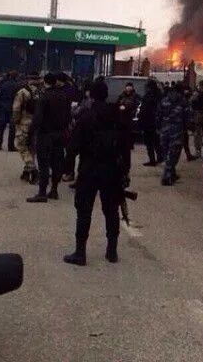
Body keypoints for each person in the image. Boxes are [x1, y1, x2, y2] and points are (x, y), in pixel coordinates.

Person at [64, 81, 130, 266]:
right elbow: (126, 147)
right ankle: (112, 251)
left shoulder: (86, 116)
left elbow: (73, 147)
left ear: (91, 95)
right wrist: (125, 172)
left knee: (83, 211)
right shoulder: (118, 115)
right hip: (112, 170)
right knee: (111, 211)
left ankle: (80, 252)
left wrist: (67, 167)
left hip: (89, 168)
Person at [27, 73, 71, 203]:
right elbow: (69, 116)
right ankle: (54, 189)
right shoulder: (64, 96)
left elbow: (37, 118)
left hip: (45, 134)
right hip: (60, 134)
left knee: (44, 164)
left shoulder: (44, 98)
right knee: (57, 162)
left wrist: (31, 132)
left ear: (45, 82)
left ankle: (42, 192)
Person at [12, 73, 41, 184]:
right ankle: (26, 172)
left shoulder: (23, 92)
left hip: (24, 122)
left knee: (21, 146)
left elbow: (16, 108)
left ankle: (33, 169)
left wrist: (15, 121)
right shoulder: (40, 92)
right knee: (32, 148)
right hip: (36, 123)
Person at [156, 85, 187, 185]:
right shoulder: (183, 102)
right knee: (173, 154)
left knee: (167, 153)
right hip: (177, 131)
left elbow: (158, 115)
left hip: (165, 130)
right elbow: (187, 117)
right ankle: (167, 176)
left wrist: (158, 127)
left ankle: (171, 173)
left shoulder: (164, 101)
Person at [139, 80, 162, 166]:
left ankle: (152, 160)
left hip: (148, 122)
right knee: (156, 141)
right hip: (156, 122)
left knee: (149, 142)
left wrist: (141, 121)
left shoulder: (148, 96)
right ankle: (160, 157)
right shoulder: (159, 95)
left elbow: (144, 110)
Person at [0, 71, 19, 151]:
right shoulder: (17, 85)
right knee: (12, 128)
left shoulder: (3, 84)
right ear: (16, 77)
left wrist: (1, 104)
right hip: (12, 107)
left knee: (1, 127)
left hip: (3, 106)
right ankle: (10, 146)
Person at [116, 82, 141, 153]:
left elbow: (137, 104)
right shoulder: (122, 95)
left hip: (131, 116)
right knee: (122, 131)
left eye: (130, 86)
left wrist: (129, 108)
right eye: (127, 86)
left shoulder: (135, 96)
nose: (128, 88)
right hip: (122, 116)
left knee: (130, 131)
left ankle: (130, 145)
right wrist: (120, 107)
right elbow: (117, 102)